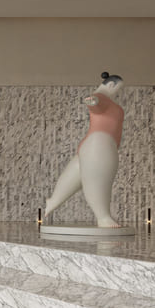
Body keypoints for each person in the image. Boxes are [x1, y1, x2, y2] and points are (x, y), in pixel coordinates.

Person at [42, 72, 126, 227]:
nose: (118, 92)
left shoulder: (104, 99)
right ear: (111, 85)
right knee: (99, 180)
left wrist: (94, 102)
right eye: (118, 88)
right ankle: (103, 217)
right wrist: (93, 102)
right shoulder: (101, 97)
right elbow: (96, 104)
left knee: (78, 174)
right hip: (99, 144)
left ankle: (53, 201)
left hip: (92, 145)